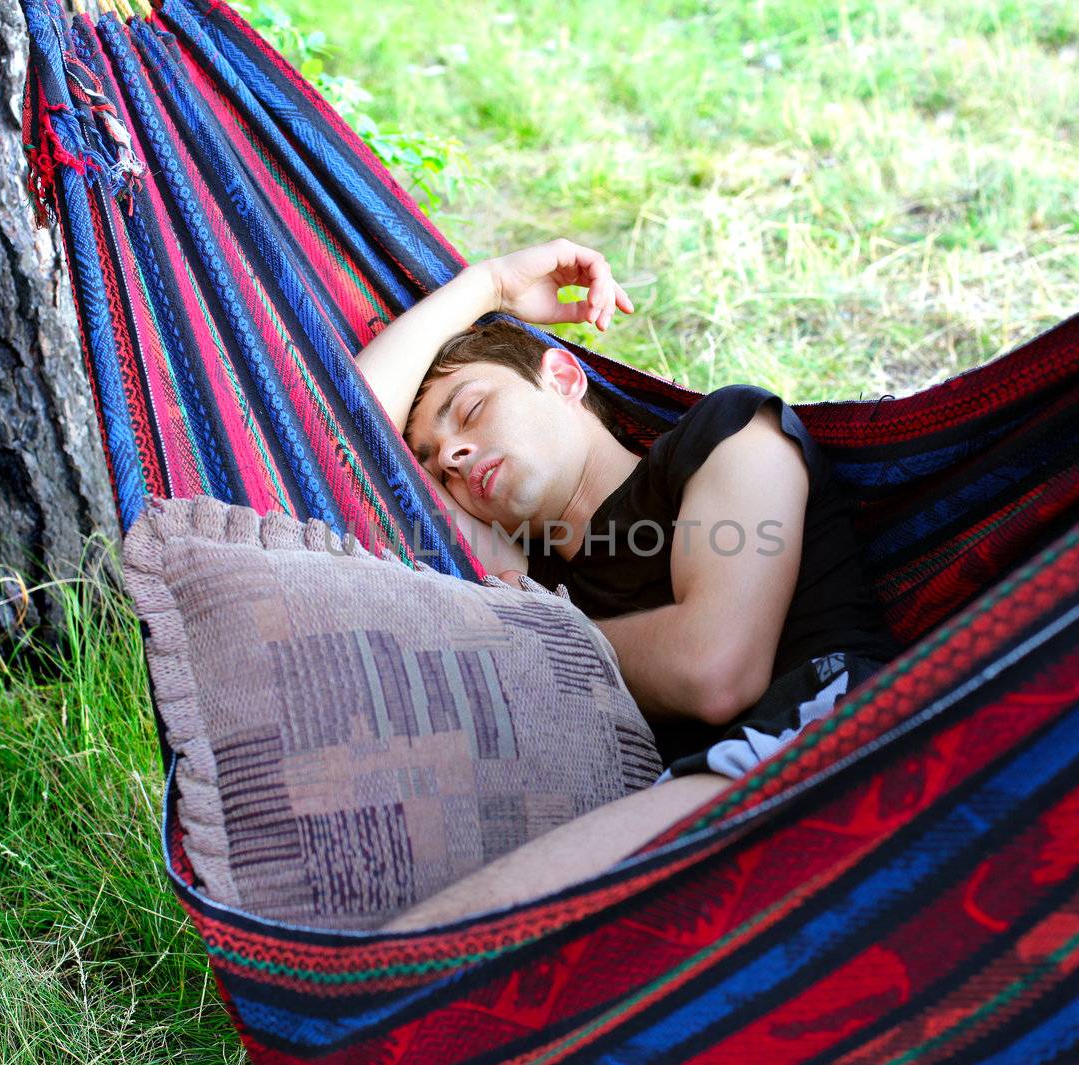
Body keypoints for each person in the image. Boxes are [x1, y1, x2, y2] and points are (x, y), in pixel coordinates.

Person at [355, 239, 895, 929]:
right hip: (696, 810)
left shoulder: (728, 432)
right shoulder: (522, 576)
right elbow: (346, 442)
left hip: (839, 745)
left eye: (470, 410)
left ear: (563, 375)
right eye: (435, 467)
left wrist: (533, 634)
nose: (454, 457)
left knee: (417, 954)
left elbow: (714, 669)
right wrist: (485, 283)